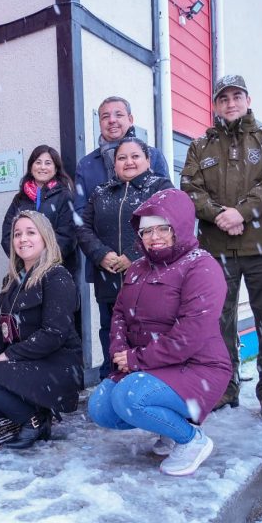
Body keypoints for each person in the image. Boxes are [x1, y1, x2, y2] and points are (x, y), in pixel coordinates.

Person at [88, 189, 230, 476]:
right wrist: (118, 350)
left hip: (198, 366)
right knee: (101, 407)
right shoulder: (138, 268)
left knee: (131, 397)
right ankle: (170, 427)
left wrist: (137, 359)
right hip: (154, 364)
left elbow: (189, 335)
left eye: (162, 228)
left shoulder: (201, 266)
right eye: (146, 231)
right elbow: (119, 314)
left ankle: (192, 441)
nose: (153, 237)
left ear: (179, 225)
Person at [181, 75, 262, 420]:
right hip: (216, 250)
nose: (230, 103)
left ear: (247, 99)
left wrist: (242, 213)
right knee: (217, 322)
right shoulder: (201, 145)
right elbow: (190, 189)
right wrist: (219, 215)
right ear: (215, 104)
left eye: (236, 96)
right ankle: (224, 386)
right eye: (223, 98)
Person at [0, 211, 83, 449]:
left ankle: (34, 421)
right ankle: (37, 409)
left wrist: (4, 359)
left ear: (45, 238)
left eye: (31, 232)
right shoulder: (12, 280)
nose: (22, 239)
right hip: (25, 363)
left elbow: (54, 334)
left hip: (56, 365)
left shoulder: (56, 276)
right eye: (17, 234)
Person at [76, 138, 174, 379]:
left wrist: (134, 256)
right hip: (108, 277)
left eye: (135, 156)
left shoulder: (160, 187)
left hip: (149, 278)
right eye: (122, 158)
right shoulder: (101, 192)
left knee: (148, 331)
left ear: (148, 161)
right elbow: (82, 227)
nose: (129, 162)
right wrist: (101, 254)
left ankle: (148, 383)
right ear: (114, 164)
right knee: (110, 330)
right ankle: (111, 381)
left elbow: (170, 225)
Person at [74, 96, 170, 213]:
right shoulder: (86, 165)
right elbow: (80, 213)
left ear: (130, 119)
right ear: (100, 123)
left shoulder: (153, 156)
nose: (112, 120)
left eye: (118, 115)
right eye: (105, 117)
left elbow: (167, 201)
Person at [0, 145, 78, 281]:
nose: (42, 167)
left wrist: (41, 260)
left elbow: (68, 236)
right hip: (23, 269)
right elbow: (8, 234)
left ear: (56, 168)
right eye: (38, 162)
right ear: (31, 167)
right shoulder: (20, 199)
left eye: (48, 163)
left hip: (56, 270)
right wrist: (24, 258)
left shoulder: (65, 196)